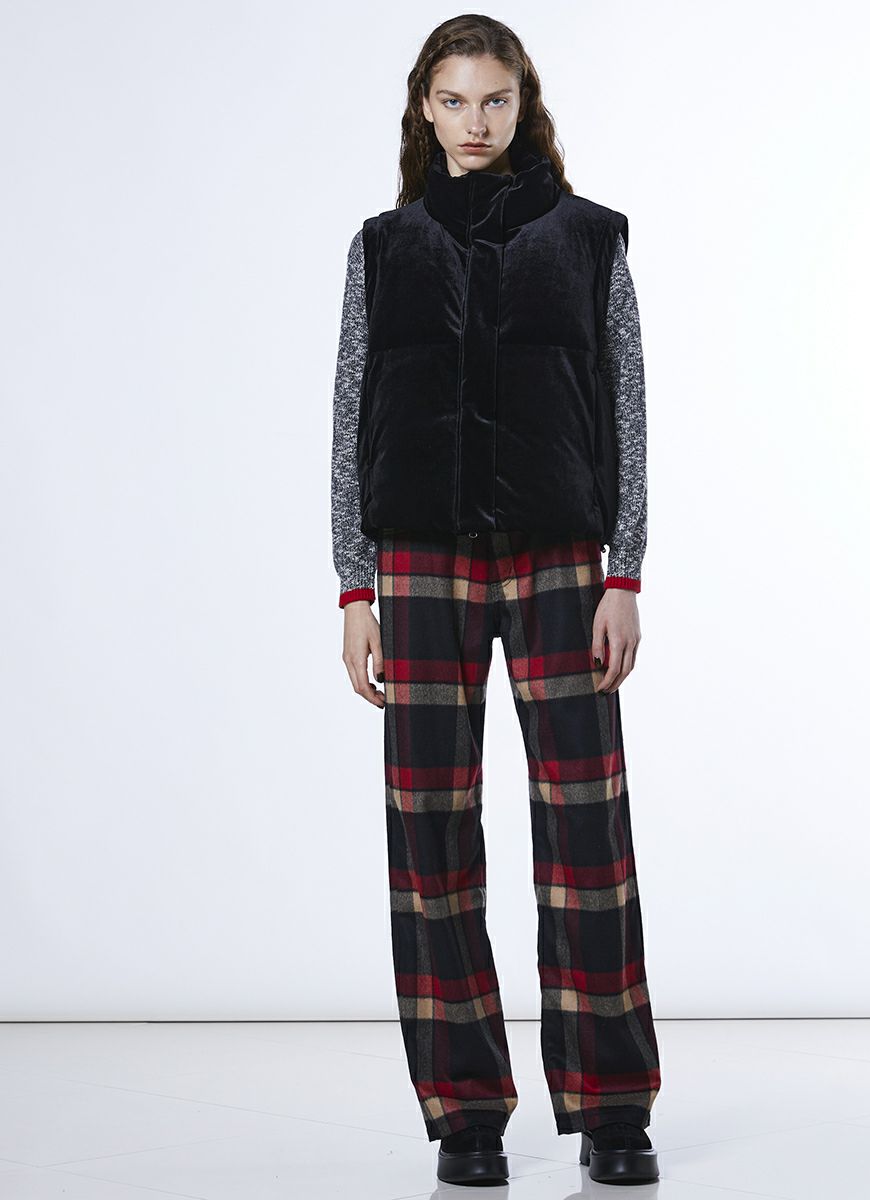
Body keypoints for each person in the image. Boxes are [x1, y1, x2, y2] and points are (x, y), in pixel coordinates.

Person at [330, 14, 660, 1187]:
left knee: (586, 828)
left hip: (563, 556)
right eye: (454, 100)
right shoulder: (384, 249)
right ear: (424, 108)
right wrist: (353, 587)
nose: (475, 122)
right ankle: (465, 1114)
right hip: (419, 559)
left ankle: (613, 1109)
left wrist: (625, 571)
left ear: (525, 107)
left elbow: (625, 405)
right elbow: (349, 414)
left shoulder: (587, 238)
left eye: (495, 101)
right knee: (431, 831)